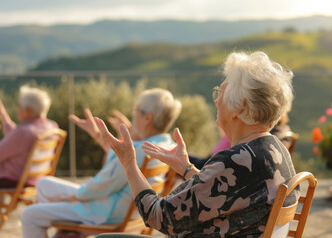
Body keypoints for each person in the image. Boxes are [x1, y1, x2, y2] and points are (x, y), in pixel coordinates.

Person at [95, 51, 299, 237]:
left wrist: (129, 163)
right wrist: (186, 168)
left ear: (239, 107)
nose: (217, 101)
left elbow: (159, 216)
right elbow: (226, 195)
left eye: (221, 92)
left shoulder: (236, 160)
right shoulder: (274, 150)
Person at [20, 88, 182, 238]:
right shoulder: (165, 146)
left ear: (148, 118)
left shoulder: (139, 151)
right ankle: (67, 231)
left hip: (108, 212)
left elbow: (103, 184)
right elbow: (116, 171)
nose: (132, 115)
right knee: (44, 184)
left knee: (29, 215)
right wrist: (99, 136)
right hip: (129, 211)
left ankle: (69, 231)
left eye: (136, 110)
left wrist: (70, 198)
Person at [0, 86, 58, 188]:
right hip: (36, 179)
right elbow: (16, 139)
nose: (18, 108)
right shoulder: (52, 127)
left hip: (14, 180)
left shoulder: (23, 132)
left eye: (19, 106)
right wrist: (3, 116)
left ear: (28, 110)